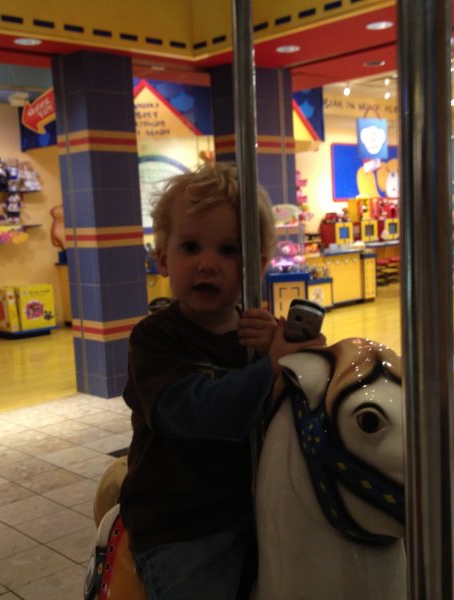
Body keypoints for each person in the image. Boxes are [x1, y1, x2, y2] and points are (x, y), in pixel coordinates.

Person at [119, 162, 326, 600]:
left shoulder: (258, 339)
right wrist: (270, 368)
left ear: (258, 266)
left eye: (229, 250)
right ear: (163, 258)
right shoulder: (154, 339)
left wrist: (303, 363)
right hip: (182, 524)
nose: (208, 264)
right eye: (191, 246)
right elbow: (192, 411)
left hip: (256, 506)